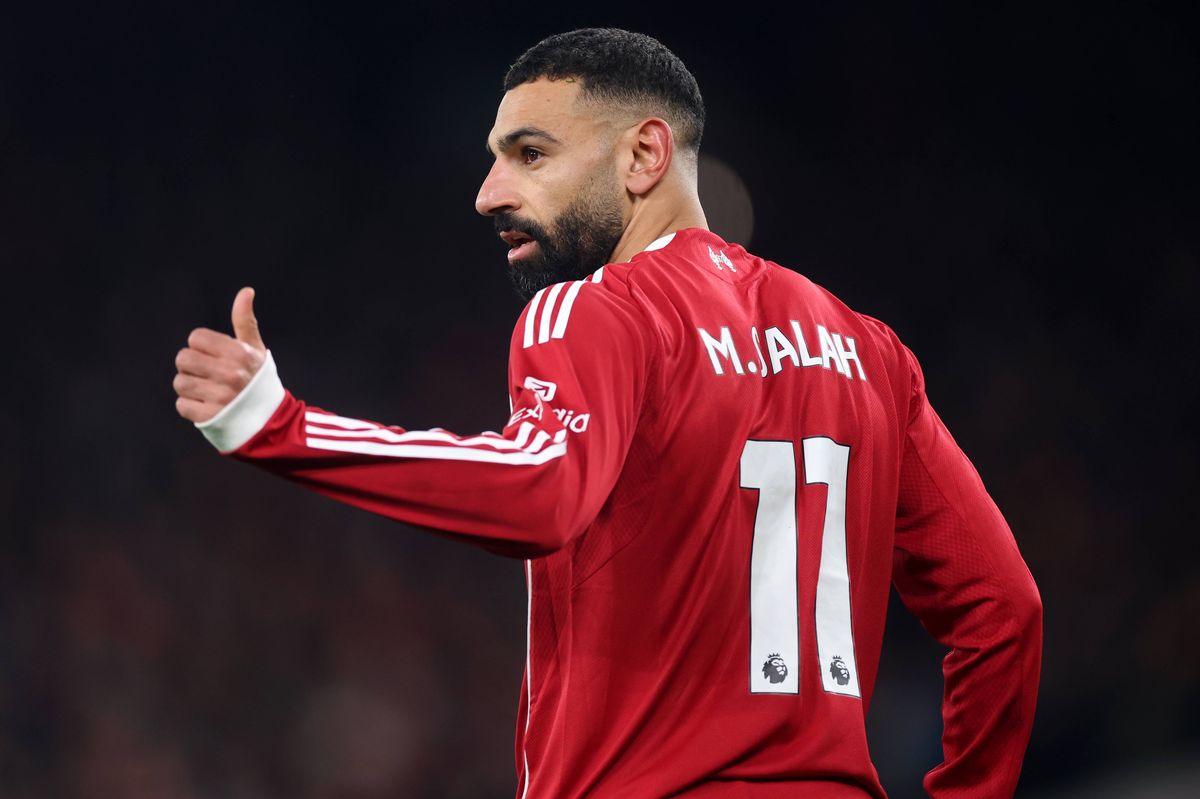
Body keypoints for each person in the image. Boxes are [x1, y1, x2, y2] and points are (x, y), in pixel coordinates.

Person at [173, 28, 1042, 799]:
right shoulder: (867, 348)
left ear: (643, 156)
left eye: (530, 153)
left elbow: (540, 492)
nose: (488, 192)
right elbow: (1003, 609)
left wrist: (280, 424)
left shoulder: (597, 309)